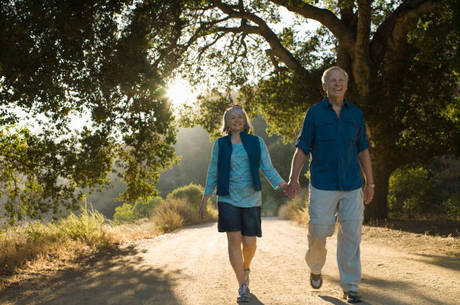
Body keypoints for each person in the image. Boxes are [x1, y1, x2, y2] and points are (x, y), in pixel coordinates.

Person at [287, 66, 374, 303]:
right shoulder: (315, 113)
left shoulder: (355, 114)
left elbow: (363, 149)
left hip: (352, 184)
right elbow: (302, 148)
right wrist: (293, 179)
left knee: (352, 236)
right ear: (324, 87)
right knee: (318, 232)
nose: (337, 84)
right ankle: (315, 267)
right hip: (323, 184)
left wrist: (370, 183)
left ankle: (350, 286)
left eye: (341, 80)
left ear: (346, 85)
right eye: (332, 81)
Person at [199, 105, 287, 303]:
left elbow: (268, 168)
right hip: (227, 198)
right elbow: (212, 172)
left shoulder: (256, 142)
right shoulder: (220, 144)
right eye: (232, 118)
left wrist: (284, 185)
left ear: (245, 121)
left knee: (249, 243)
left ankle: (246, 268)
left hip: (251, 199)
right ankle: (242, 285)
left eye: (240, 117)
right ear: (227, 122)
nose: (237, 120)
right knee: (233, 241)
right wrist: (204, 200)